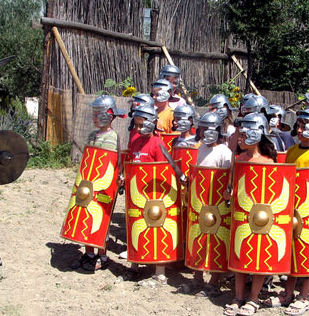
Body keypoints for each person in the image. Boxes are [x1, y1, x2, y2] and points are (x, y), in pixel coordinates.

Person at [223, 112, 279, 316]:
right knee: (240, 256)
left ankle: (254, 298)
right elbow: (233, 188)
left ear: (257, 134)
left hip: (260, 219)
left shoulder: (268, 162)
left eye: (243, 134)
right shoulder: (238, 158)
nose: (239, 137)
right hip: (241, 216)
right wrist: (228, 193)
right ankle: (238, 297)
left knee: (258, 258)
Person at [177, 112, 231, 297]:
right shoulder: (201, 149)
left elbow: (228, 180)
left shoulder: (225, 152)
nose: (201, 132)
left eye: (205, 128)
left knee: (217, 242)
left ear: (215, 130)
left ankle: (214, 282)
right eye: (200, 128)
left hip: (218, 206)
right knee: (199, 240)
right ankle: (197, 278)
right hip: (201, 203)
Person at [70, 95, 126, 271]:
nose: (94, 118)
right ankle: (89, 254)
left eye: (97, 114)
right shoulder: (93, 135)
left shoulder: (113, 137)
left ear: (107, 115)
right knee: (86, 218)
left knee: (101, 222)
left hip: (103, 188)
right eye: (93, 114)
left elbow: (109, 165)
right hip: (89, 186)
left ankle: (102, 256)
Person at [263, 110, 309, 315]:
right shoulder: (291, 152)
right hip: (293, 211)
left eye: (303, 126)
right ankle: (288, 293)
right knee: (293, 254)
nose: (299, 130)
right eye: (298, 125)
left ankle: (305, 296)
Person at [126, 104, 173, 285]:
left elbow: (162, 171)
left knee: (155, 229)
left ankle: (159, 271)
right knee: (135, 227)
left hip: (153, 195)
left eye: (141, 125)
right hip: (136, 192)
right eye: (136, 126)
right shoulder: (136, 140)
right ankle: (134, 265)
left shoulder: (158, 143)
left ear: (152, 123)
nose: (137, 129)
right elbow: (131, 161)